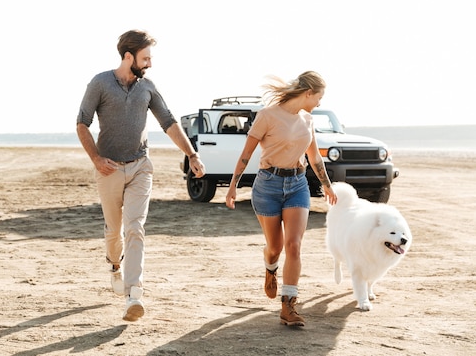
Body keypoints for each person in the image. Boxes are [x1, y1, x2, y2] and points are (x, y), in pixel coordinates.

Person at [76, 29, 206, 322]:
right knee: (114, 231)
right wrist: (96, 158)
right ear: (128, 56)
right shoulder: (100, 83)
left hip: (140, 166)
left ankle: (134, 294)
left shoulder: (147, 87)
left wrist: (192, 153)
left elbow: (169, 122)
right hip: (108, 168)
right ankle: (114, 266)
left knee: (135, 227)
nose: (149, 63)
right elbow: (82, 123)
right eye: (145, 58)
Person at [225, 71, 337, 327]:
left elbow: (314, 157)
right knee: (275, 247)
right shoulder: (267, 115)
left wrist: (326, 185)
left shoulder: (308, 119)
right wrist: (233, 186)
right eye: (319, 97)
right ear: (308, 93)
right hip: (268, 185)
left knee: (294, 246)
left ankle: (288, 306)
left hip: (298, 184)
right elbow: (246, 154)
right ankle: (270, 268)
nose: (320, 103)